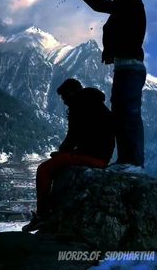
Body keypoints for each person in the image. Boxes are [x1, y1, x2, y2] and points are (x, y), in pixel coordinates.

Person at [54, 0, 147, 169]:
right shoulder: (125, 9)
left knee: (129, 114)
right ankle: (126, 160)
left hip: (131, 68)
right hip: (124, 68)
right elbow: (101, 4)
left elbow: (100, 4)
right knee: (121, 114)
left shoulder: (130, 5)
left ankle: (134, 162)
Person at [22, 78, 115, 232]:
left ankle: (42, 216)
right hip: (102, 157)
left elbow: (73, 137)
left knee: (44, 169)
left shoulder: (79, 105)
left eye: (65, 97)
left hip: (90, 157)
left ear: (71, 93)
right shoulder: (97, 104)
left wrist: (62, 152)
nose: (64, 101)